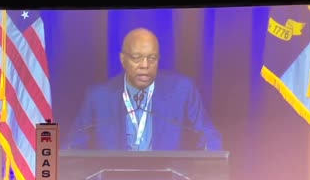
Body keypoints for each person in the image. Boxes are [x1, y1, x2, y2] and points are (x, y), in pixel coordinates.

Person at [66, 28, 222, 151]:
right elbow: (73, 145)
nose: (145, 65)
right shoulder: (98, 96)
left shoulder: (181, 90)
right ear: (123, 59)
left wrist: (207, 167)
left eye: (152, 58)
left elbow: (209, 136)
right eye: (136, 57)